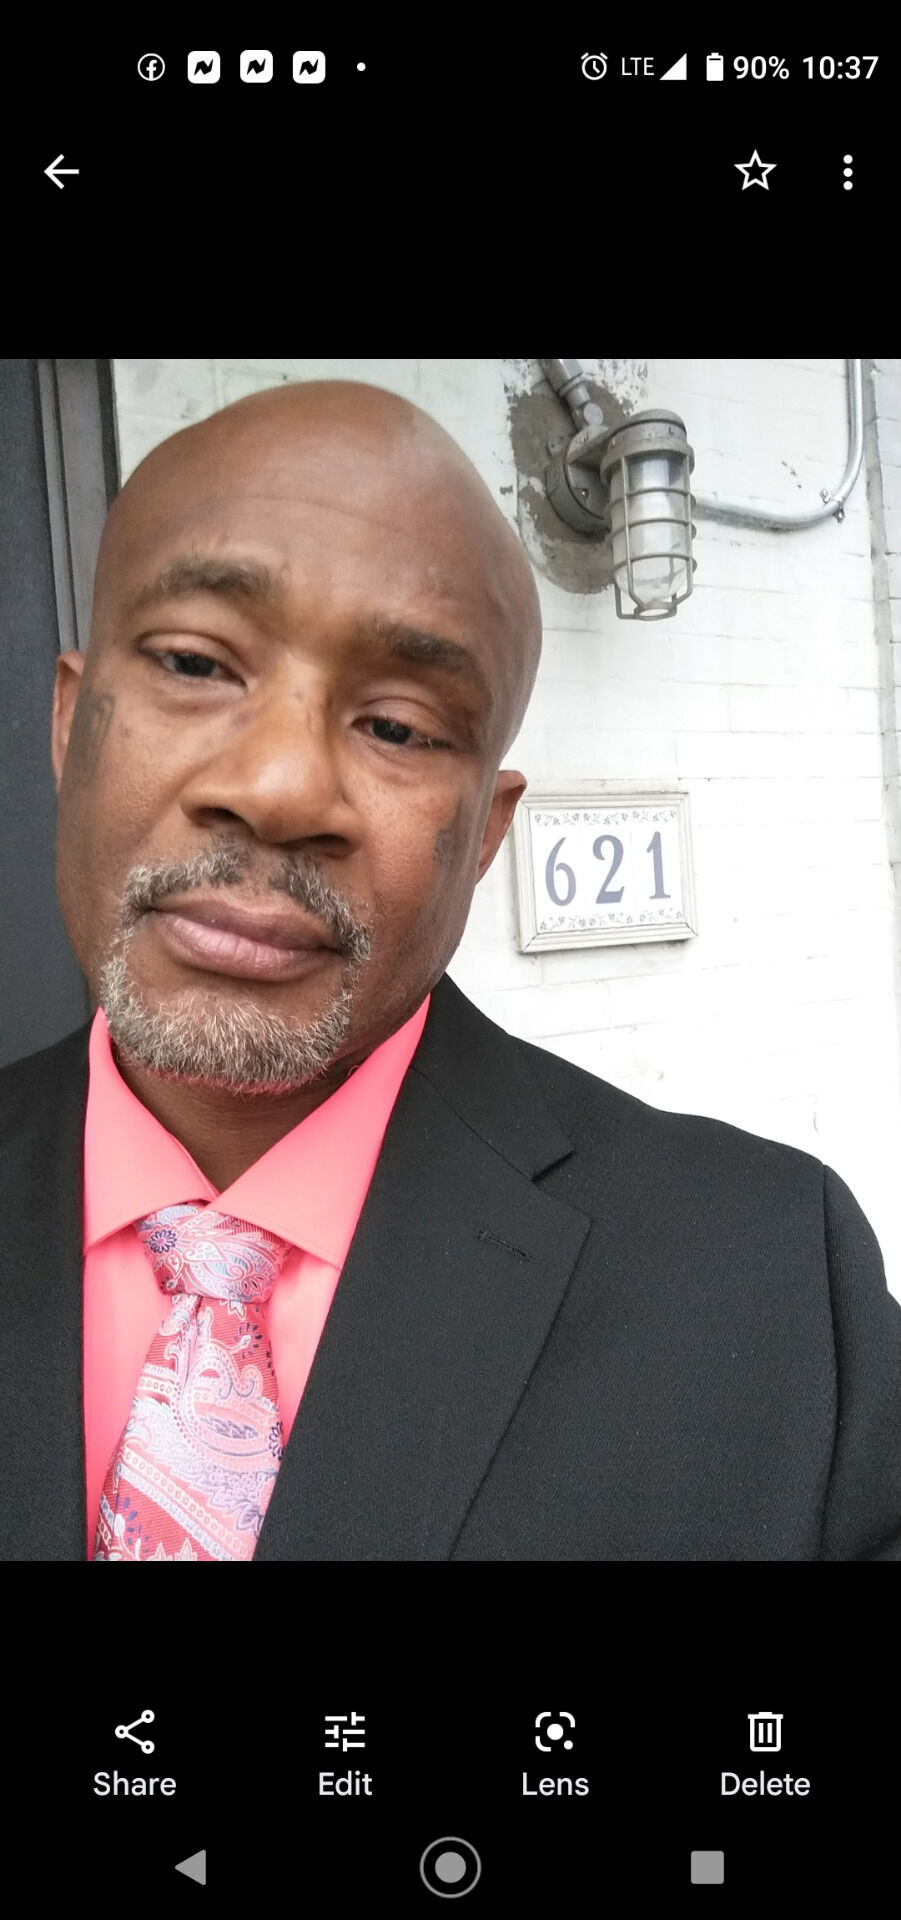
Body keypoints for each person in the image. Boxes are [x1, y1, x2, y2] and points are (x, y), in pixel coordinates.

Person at [1, 378, 899, 1562]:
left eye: (398, 727)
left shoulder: (773, 1289)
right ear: (71, 723)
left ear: (483, 832)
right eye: (197, 663)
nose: (278, 790)